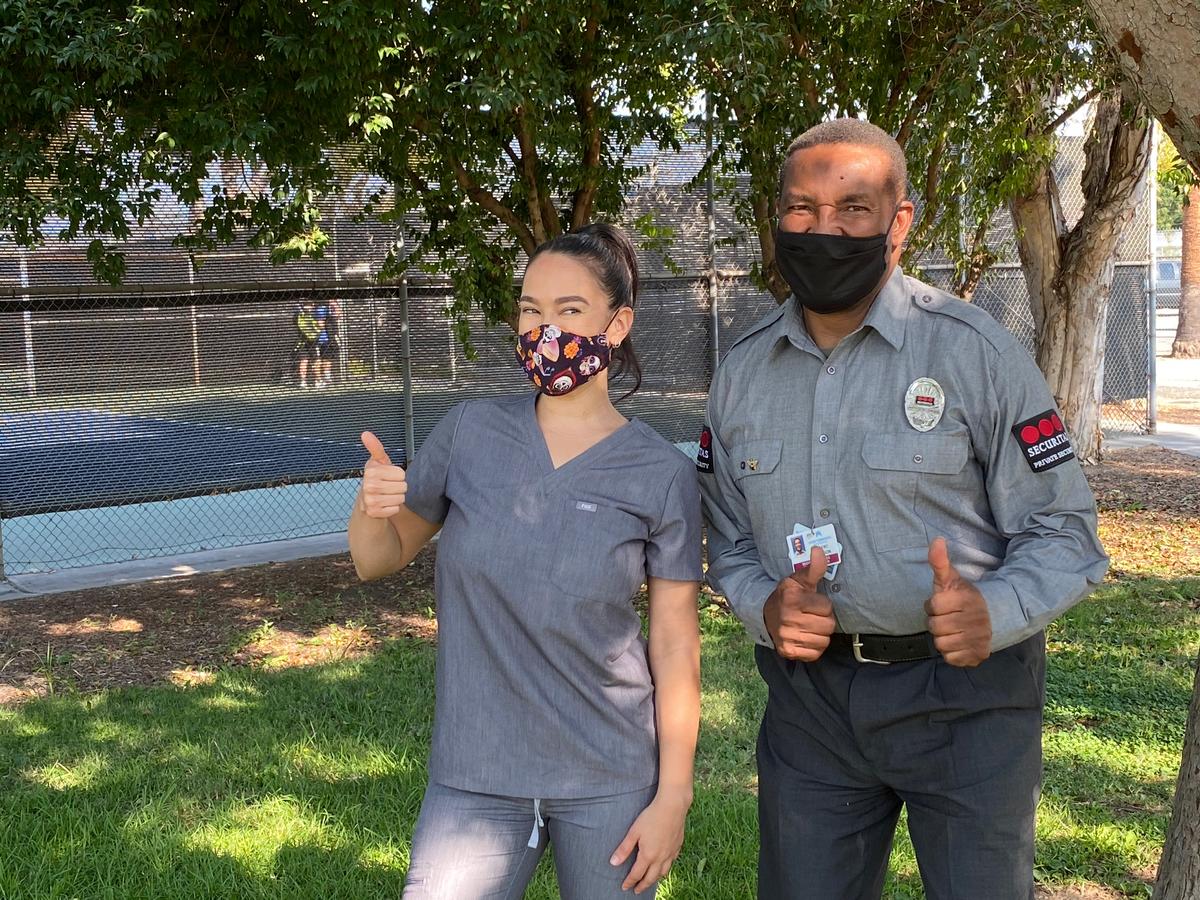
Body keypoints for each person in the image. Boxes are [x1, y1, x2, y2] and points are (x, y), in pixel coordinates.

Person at [698, 118, 1108, 899]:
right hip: (811, 708)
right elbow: (727, 534)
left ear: (899, 221)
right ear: (776, 218)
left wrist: (994, 607)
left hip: (966, 698)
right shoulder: (743, 373)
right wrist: (764, 606)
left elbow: (1064, 529)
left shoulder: (974, 352)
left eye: (853, 209)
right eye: (802, 210)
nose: (825, 230)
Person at [348, 222, 703, 899]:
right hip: (475, 772)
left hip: (609, 776)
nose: (546, 330)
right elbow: (378, 560)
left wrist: (673, 796)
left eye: (569, 311)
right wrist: (372, 505)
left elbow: (675, 642)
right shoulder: (470, 433)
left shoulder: (660, 473)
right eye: (531, 311)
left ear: (617, 323)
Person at [294, 299, 323, 389]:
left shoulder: (299, 314)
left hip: (305, 341)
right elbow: (320, 326)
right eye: (308, 304)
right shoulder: (310, 314)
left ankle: (309, 382)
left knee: (307, 361)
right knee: (312, 361)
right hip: (309, 342)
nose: (310, 305)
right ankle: (316, 381)